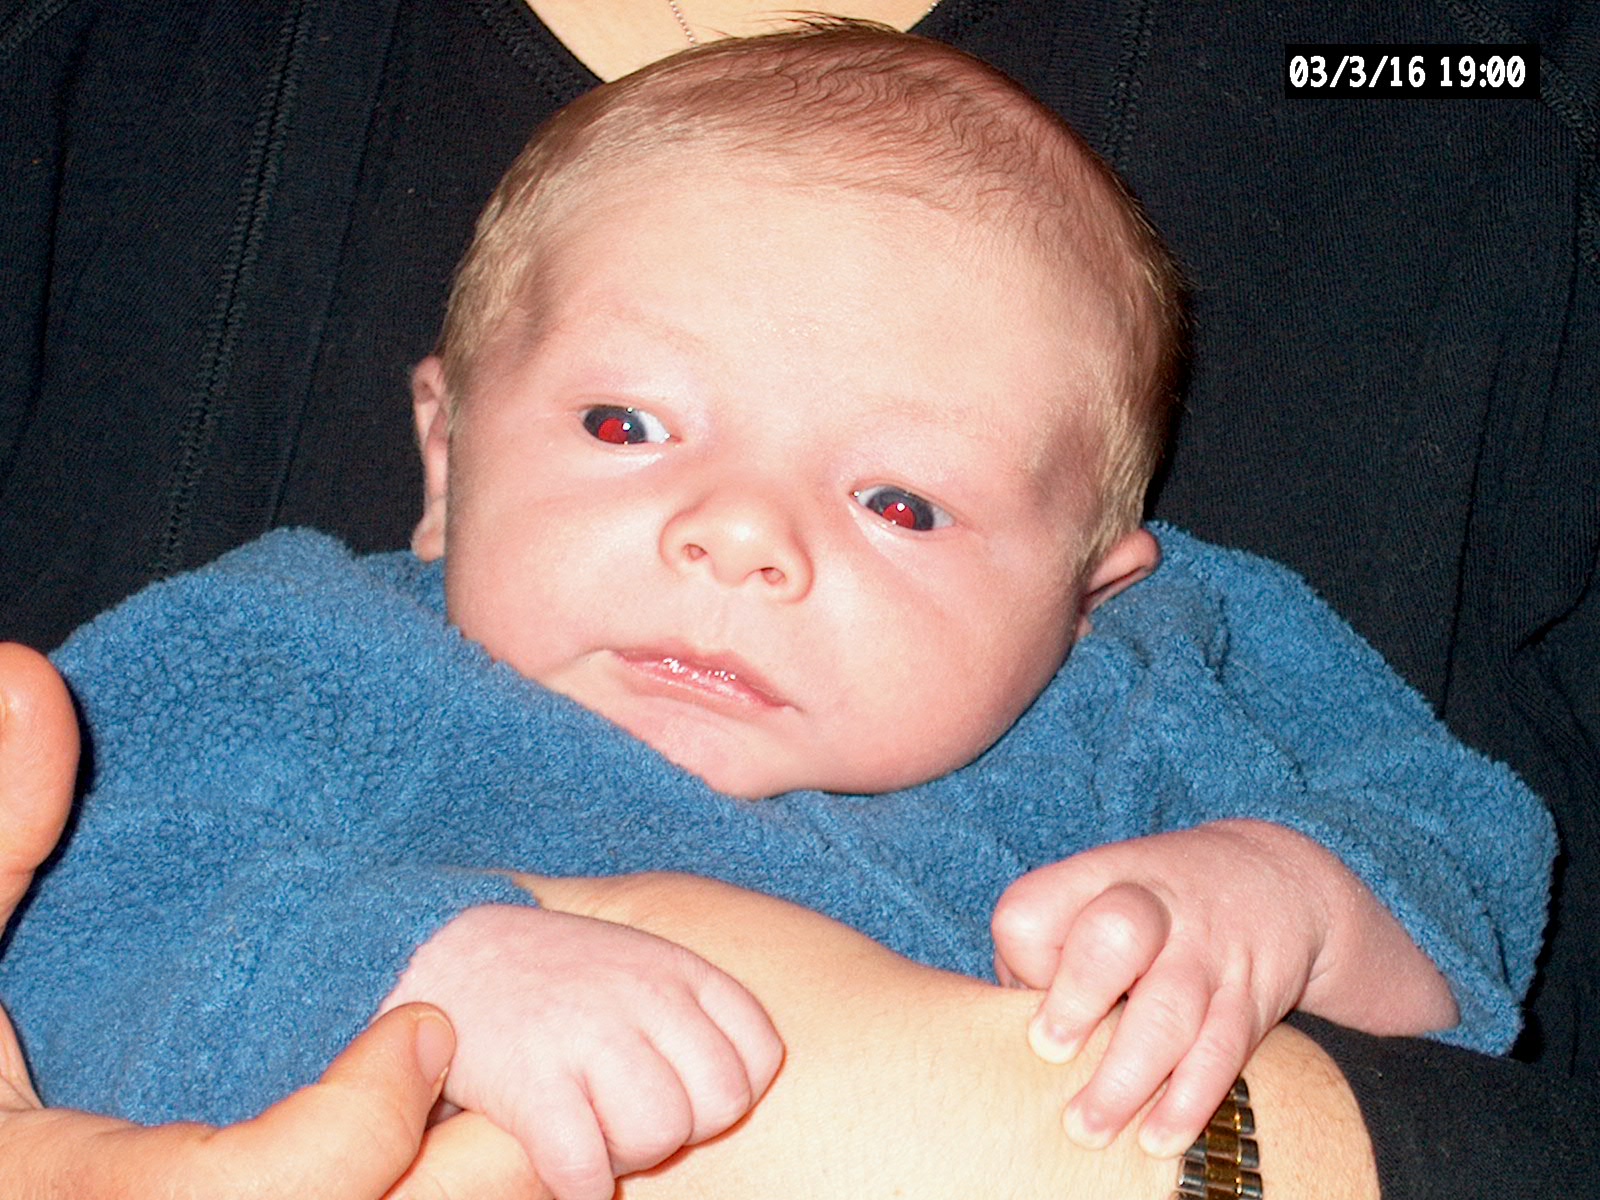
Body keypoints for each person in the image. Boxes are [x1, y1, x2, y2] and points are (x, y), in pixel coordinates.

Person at [1, 1, 1595, 1195]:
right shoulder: (287, 658)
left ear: (1088, 597)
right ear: (446, 453)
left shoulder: (1148, 692)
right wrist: (419, 970)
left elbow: (1460, 843)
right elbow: (81, 912)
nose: (739, 536)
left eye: (901, 502)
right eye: (627, 425)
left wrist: (1285, 900)